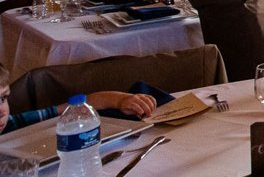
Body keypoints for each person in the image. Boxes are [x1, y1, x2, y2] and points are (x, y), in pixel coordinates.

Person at [1, 64, 156, 134]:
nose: (2, 111)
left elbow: (72, 108)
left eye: (3, 98)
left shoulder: (11, 125)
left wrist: (121, 100)